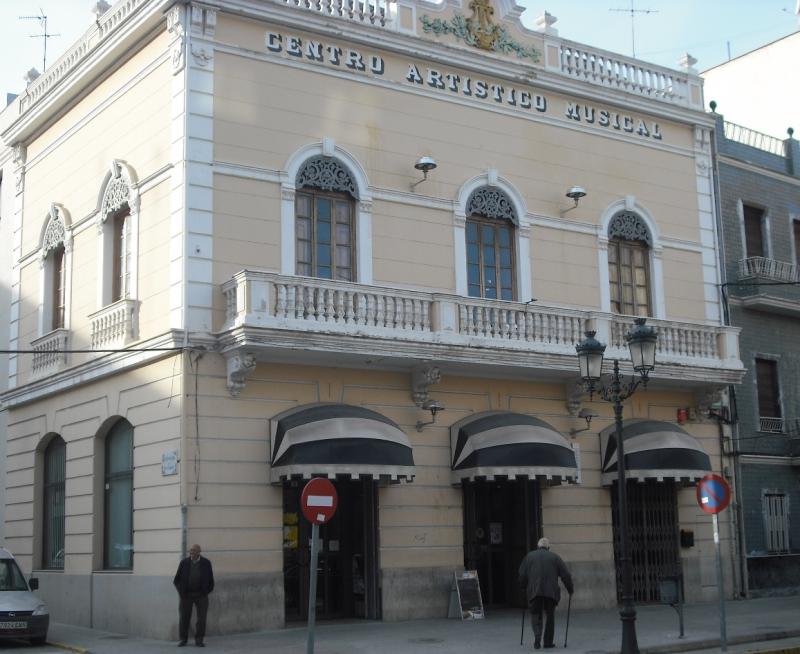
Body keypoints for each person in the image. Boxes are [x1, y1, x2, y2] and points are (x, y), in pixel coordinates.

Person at [518, 537, 574, 650]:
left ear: (538, 546)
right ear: (548, 547)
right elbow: (566, 575)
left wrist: (523, 586)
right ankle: (548, 642)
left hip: (535, 591)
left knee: (536, 614)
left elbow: (522, 575)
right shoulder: (555, 557)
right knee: (550, 616)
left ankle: (537, 640)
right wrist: (570, 589)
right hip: (551, 592)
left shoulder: (529, 556)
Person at [173, 544, 215, 647]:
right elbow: (176, 580)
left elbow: (211, 581)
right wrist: (181, 593)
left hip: (201, 595)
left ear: (199, 552)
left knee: (201, 619)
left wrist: (205, 592)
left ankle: (199, 639)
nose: (192, 553)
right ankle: (183, 639)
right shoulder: (184, 563)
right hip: (186, 595)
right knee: (184, 618)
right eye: (191, 551)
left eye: (194, 551)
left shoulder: (206, 563)